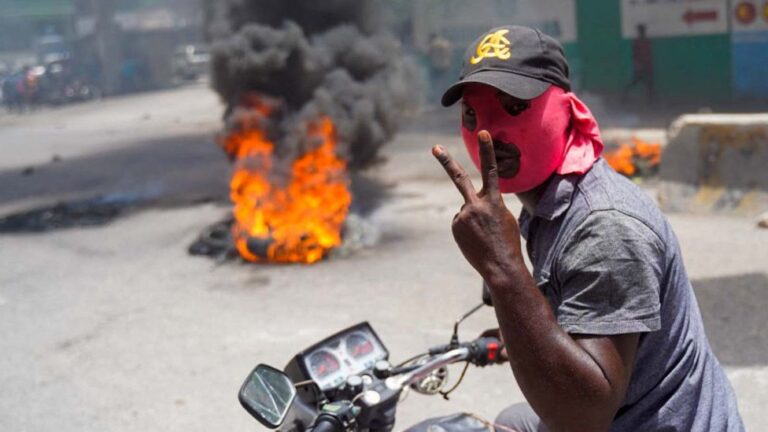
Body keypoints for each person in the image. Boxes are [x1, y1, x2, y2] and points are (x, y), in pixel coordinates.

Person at [431, 25, 744, 431]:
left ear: (568, 111)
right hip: (623, 409)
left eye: (514, 107)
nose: (488, 132)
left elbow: (582, 417)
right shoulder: (548, 200)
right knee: (513, 419)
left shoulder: (606, 226)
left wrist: (502, 266)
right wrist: (522, 329)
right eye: (472, 114)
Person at [623, 24, 655, 104]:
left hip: (644, 66)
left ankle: (651, 100)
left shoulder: (643, 41)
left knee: (648, 84)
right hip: (642, 67)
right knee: (642, 83)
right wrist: (638, 64)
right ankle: (624, 97)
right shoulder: (640, 42)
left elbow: (646, 54)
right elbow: (635, 54)